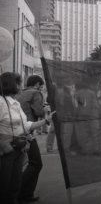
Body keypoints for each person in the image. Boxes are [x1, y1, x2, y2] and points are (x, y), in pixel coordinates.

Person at [0, 72, 53, 204]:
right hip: (6, 149)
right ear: (11, 84)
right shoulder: (1, 103)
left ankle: (20, 196)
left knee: (14, 184)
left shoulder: (16, 103)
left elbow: (26, 125)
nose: (21, 85)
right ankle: (24, 194)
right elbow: (38, 112)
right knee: (5, 186)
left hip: (20, 146)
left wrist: (47, 121)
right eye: (19, 82)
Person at [16, 75, 49, 203]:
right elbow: (39, 112)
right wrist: (45, 109)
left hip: (18, 132)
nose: (41, 87)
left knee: (25, 163)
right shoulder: (36, 93)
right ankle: (21, 193)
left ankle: (26, 193)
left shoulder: (22, 93)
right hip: (28, 132)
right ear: (36, 84)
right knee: (35, 163)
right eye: (41, 85)